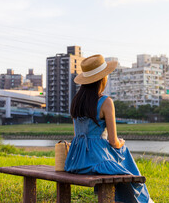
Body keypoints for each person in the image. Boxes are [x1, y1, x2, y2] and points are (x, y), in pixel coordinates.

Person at [65, 54, 153, 203]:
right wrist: (120, 142)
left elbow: (77, 135)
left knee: (119, 163)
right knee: (123, 151)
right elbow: (113, 141)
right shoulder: (105, 101)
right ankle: (144, 201)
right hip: (96, 160)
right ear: (103, 78)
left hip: (74, 161)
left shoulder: (76, 101)